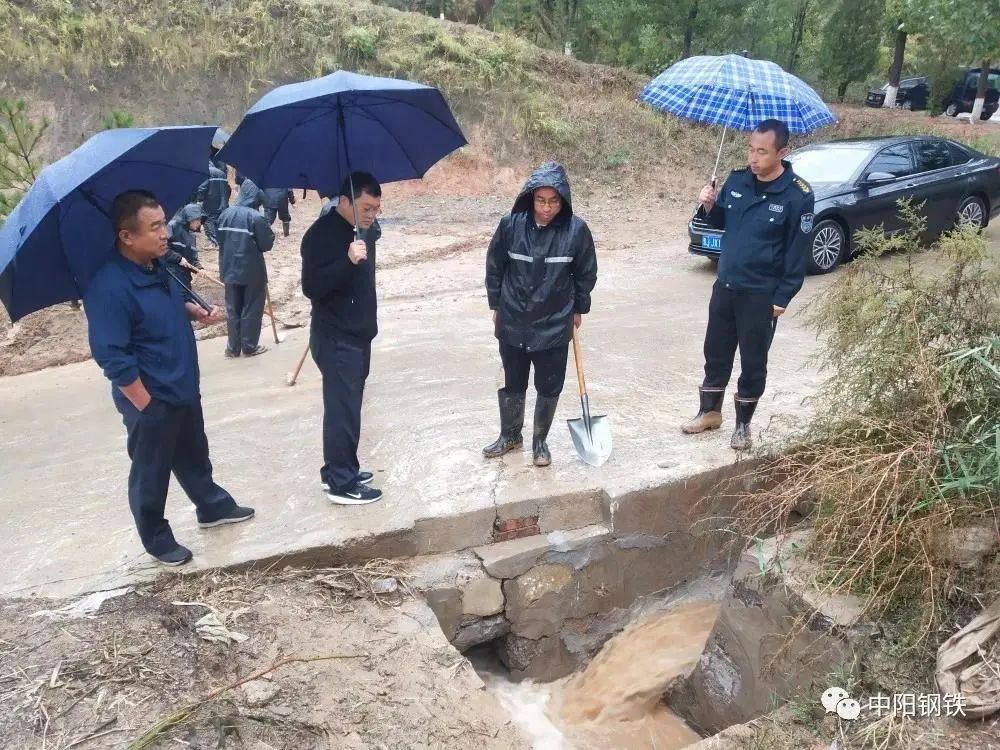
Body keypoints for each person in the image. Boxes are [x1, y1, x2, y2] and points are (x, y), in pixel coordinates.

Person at [82, 190, 254, 566]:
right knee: (152, 469)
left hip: (181, 382)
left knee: (194, 452)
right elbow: (112, 355)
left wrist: (191, 309)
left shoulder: (154, 267)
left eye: (164, 222)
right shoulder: (108, 286)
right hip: (150, 395)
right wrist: (145, 403)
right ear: (127, 236)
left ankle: (212, 507)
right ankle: (156, 538)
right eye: (155, 227)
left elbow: (160, 308)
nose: (165, 233)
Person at [681, 119, 815, 450]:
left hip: (761, 294)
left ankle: (743, 425)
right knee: (715, 353)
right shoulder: (738, 181)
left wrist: (783, 297)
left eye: (762, 152)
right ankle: (709, 412)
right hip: (726, 286)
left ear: (782, 152)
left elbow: (797, 254)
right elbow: (718, 222)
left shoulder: (798, 196)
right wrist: (708, 203)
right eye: (751, 150)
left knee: (753, 362)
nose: (754, 158)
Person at [483, 161, 598, 467]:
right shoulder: (510, 225)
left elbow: (586, 273)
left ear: (563, 201)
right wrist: (496, 304)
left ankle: (539, 441)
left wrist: (578, 307)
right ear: (530, 198)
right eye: (540, 200)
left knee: (548, 385)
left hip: (554, 323)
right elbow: (494, 267)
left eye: (553, 201)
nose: (546, 208)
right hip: (513, 320)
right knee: (514, 381)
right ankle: (510, 435)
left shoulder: (577, 231)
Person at [300, 172, 383, 505]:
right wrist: (347, 261)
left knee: (346, 409)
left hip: (358, 334)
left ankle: (339, 467)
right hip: (336, 338)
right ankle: (342, 483)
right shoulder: (321, 235)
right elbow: (312, 287)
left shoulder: (360, 231)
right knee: (342, 411)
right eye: (366, 207)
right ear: (344, 201)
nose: (371, 214)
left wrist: (364, 235)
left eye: (376, 208)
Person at [217, 176, 275, 358]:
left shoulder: (224, 215)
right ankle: (249, 346)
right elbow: (266, 244)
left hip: (228, 268)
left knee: (233, 308)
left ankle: (232, 348)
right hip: (251, 271)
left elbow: (221, 241)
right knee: (251, 307)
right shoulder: (255, 217)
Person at [165, 203, 206, 286]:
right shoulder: (171, 226)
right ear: (190, 219)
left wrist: (199, 269)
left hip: (184, 277)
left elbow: (192, 259)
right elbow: (161, 249)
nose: (200, 223)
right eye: (198, 220)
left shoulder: (192, 236)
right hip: (168, 274)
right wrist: (179, 259)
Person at [196, 160, 231, 248]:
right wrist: (225, 200)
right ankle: (220, 241)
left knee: (208, 220)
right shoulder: (222, 173)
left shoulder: (206, 172)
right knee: (219, 221)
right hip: (222, 202)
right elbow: (228, 189)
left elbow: (202, 188)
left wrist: (199, 198)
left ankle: (213, 242)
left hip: (210, 201)